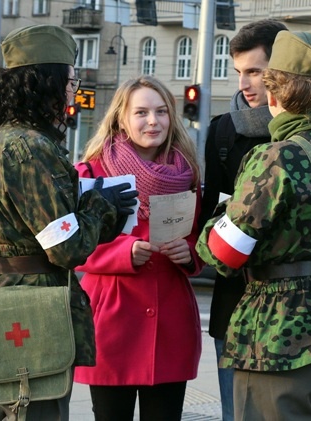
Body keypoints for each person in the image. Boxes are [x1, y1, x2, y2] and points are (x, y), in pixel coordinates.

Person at [196, 30, 311, 420]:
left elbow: (225, 254)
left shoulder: (274, 159)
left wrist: (216, 220)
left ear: (274, 94)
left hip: (280, 339)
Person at [0, 24, 138, 421]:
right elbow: (66, 247)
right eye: (70, 81)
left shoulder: (6, 141)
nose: (72, 93)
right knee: (34, 409)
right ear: (46, 84)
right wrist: (99, 204)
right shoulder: (30, 151)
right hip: (31, 305)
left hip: (5, 297)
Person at [73, 75, 203, 421]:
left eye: (161, 112)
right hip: (112, 317)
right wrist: (122, 252)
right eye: (141, 112)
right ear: (121, 118)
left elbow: (201, 238)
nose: (153, 121)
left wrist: (190, 254)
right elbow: (72, 245)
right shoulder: (91, 171)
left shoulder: (187, 173)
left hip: (170, 321)